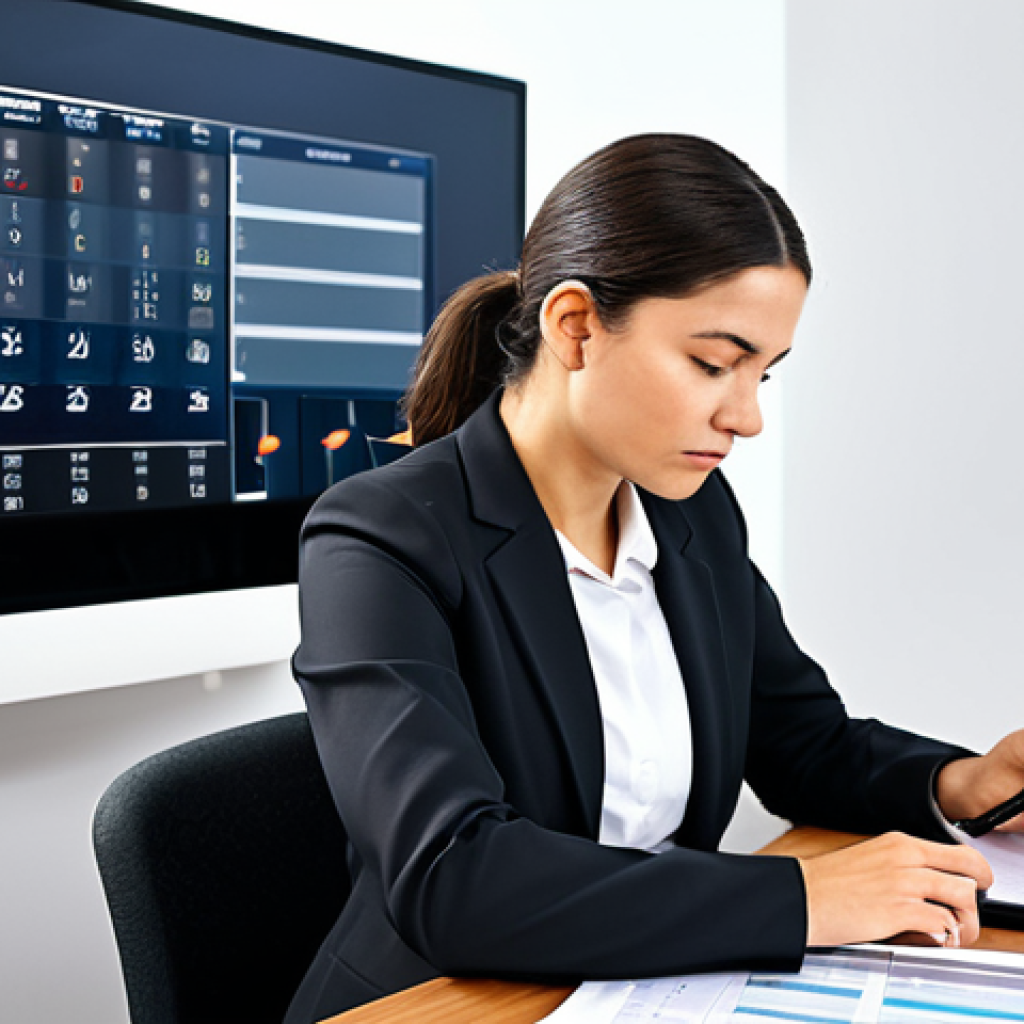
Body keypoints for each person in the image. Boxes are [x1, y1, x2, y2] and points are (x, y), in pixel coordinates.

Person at [284, 134, 1023, 1024]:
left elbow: (799, 741)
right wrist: (803, 900)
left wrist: (962, 784)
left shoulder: (691, 512)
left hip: (656, 986)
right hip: (452, 1001)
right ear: (577, 327)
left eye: (763, 374)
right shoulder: (379, 534)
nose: (744, 417)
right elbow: (454, 876)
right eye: (714, 364)